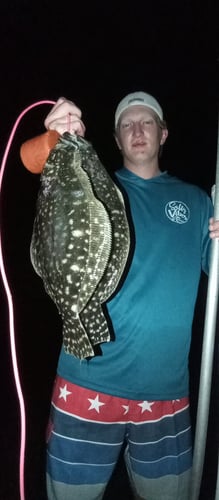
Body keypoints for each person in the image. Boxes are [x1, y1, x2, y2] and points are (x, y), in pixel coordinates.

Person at [41, 92, 219, 500]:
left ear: (163, 133)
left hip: (166, 396)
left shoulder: (197, 201)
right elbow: (39, 165)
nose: (137, 131)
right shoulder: (93, 186)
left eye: (147, 122)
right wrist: (56, 137)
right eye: (127, 125)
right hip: (86, 384)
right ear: (118, 141)